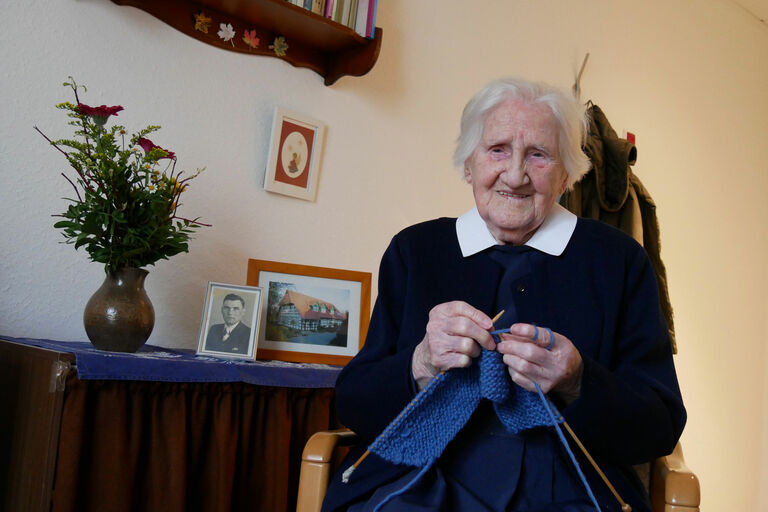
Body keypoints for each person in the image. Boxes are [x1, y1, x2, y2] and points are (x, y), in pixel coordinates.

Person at [323, 78, 686, 512]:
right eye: (497, 150)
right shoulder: (415, 251)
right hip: (418, 482)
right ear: (468, 165)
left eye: (538, 155)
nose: (515, 175)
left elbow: (659, 426)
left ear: (566, 173)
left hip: (569, 490)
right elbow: (354, 402)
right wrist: (419, 363)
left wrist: (577, 380)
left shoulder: (619, 261)